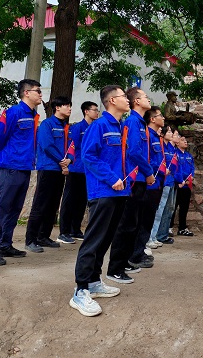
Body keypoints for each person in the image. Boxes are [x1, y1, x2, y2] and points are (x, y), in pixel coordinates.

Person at [70, 85, 131, 317]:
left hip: (119, 192)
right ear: (112, 100)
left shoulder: (120, 127)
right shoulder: (99, 126)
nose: (128, 99)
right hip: (103, 191)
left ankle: (94, 281)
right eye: (124, 96)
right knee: (94, 240)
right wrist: (112, 178)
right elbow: (88, 156)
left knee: (106, 239)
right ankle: (80, 289)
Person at [0, 79, 42, 266]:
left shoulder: (33, 115)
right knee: (1, 209)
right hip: (10, 167)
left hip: (24, 167)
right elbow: (0, 138)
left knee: (14, 209)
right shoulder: (14, 112)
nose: (41, 94)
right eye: (37, 91)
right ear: (26, 93)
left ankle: (4, 245)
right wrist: (3, 156)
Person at [106, 89, 156, 284]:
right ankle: (115, 268)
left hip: (140, 179)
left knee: (133, 223)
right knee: (126, 224)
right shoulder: (133, 122)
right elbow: (134, 152)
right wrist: (149, 172)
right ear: (137, 101)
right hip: (134, 179)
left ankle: (125, 261)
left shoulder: (140, 123)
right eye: (145, 97)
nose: (148, 99)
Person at [24, 97, 74, 253]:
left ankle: (44, 236)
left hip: (60, 169)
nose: (69, 109)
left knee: (53, 204)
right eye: (67, 106)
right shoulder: (47, 125)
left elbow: (72, 146)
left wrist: (69, 159)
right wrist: (62, 161)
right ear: (57, 108)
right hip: (48, 168)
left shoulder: (66, 127)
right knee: (41, 204)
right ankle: (31, 239)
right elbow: (47, 145)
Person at [126, 106, 167, 271]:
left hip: (156, 182)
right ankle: (135, 254)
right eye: (160, 115)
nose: (163, 118)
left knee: (147, 220)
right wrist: (152, 172)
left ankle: (139, 250)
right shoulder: (146, 134)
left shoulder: (155, 136)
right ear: (152, 119)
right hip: (147, 182)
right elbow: (143, 157)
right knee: (141, 221)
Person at [56, 101, 100, 244]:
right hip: (75, 168)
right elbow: (71, 146)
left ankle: (75, 229)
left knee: (82, 200)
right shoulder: (77, 128)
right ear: (86, 111)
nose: (97, 112)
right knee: (69, 200)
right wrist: (67, 164)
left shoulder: (95, 127)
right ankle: (64, 231)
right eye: (94, 110)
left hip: (88, 170)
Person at [148, 127, 179, 247]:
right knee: (158, 210)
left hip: (169, 181)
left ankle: (155, 236)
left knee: (166, 210)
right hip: (161, 181)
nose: (171, 134)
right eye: (170, 132)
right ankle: (151, 237)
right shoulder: (160, 145)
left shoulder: (170, 148)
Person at [155, 129, 181, 244]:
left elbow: (177, 168)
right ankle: (159, 235)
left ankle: (163, 234)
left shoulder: (172, 149)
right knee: (162, 209)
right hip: (165, 181)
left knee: (170, 208)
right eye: (172, 133)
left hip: (172, 181)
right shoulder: (163, 147)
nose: (176, 136)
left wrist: (179, 179)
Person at [174, 135, 195, 237]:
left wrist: (190, 178)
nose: (185, 142)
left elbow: (192, 168)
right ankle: (169, 227)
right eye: (183, 140)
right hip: (179, 184)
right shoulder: (175, 154)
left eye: (186, 140)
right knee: (173, 206)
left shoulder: (189, 155)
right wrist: (181, 180)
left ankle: (182, 228)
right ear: (177, 143)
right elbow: (177, 169)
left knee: (184, 207)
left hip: (187, 185)